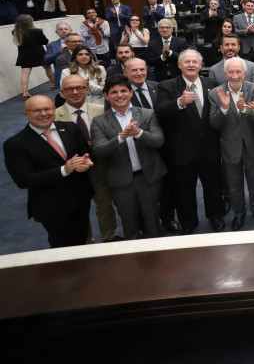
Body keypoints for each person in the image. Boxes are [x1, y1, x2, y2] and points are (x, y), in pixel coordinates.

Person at [3, 95, 94, 248]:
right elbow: (24, 180)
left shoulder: (70, 128)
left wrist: (88, 162)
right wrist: (64, 170)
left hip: (80, 198)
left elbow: (87, 153)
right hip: (51, 206)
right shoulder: (15, 144)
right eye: (37, 110)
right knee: (61, 246)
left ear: (54, 110)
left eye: (47, 109)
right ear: (26, 114)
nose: (43, 114)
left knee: (81, 239)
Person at [155, 49, 226, 234]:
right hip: (182, 150)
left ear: (201, 65)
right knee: (184, 189)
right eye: (187, 62)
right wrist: (179, 102)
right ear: (179, 65)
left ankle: (215, 215)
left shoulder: (213, 84)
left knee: (213, 185)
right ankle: (188, 221)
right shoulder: (166, 86)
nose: (191, 65)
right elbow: (160, 113)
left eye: (195, 61)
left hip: (210, 148)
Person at [90, 75, 167, 239]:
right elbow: (99, 149)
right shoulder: (99, 121)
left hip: (148, 178)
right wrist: (121, 138)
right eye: (114, 92)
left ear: (131, 92)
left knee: (153, 221)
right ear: (106, 96)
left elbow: (158, 140)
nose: (119, 95)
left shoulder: (147, 114)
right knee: (129, 224)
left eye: (123, 91)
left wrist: (138, 133)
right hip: (121, 181)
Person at [55, 74, 119, 243]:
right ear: (62, 92)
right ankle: (86, 241)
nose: (75, 92)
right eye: (69, 89)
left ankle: (109, 236)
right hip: (73, 169)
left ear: (87, 89)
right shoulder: (54, 116)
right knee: (79, 207)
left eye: (80, 88)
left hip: (99, 165)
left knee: (105, 203)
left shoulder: (100, 110)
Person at [209, 58, 254, 231]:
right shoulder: (215, 93)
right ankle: (239, 214)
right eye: (231, 72)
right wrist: (224, 109)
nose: (235, 76)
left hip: (252, 144)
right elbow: (214, 123)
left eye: (238, 72)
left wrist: (244, 110)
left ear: (244, 73)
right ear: (225, 74)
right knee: (234, 185)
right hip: (229, 147)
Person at [12, 14, 53, 99]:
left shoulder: (15, 32)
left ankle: (25, 92)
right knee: (48, 68)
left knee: (25, 74)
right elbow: (45, 42)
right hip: (39, 54)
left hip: (24, 55)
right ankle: (53, 83)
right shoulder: (36, 31)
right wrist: (41, 32)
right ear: (29, 22)